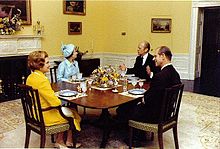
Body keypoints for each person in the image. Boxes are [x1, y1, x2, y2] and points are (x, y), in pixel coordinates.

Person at [116, 46, 181, 146]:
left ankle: (134, 139)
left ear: (163, 56)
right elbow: (155, 94)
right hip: (168, 113)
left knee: (124, 108)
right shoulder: (175, 73)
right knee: (131, 105)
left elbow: (148, 99)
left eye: (155, 56)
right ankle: (139, 134)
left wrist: (141, 99)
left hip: (157, 116)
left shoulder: (160, 76)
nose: (154, 58)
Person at [26, 51, 81, 148]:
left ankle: (62, 141)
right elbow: (55, 103)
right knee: (72, 114)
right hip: (44, 116)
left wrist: (54, 94)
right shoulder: (42, 80)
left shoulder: (31, 77)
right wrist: (59, 98)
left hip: (35, 113)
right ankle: (66, 141)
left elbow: (43, 95)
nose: (49, 65)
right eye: (47, 63)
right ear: (39, 65)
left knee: (69, 111)